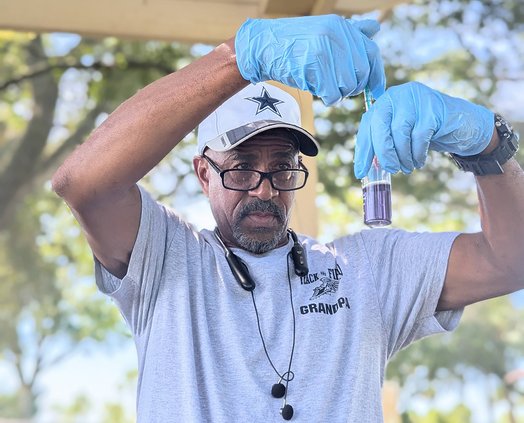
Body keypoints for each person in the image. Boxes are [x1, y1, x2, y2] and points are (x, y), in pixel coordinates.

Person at [51, 14, 523, 423]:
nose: (264, 187)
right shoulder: (166, 256)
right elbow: (83, 184)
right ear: (203, 172)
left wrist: (487, 148)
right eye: (240, 167)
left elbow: (510, 261)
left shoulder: (366, 271)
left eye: (282, 166)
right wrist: (240, 57)